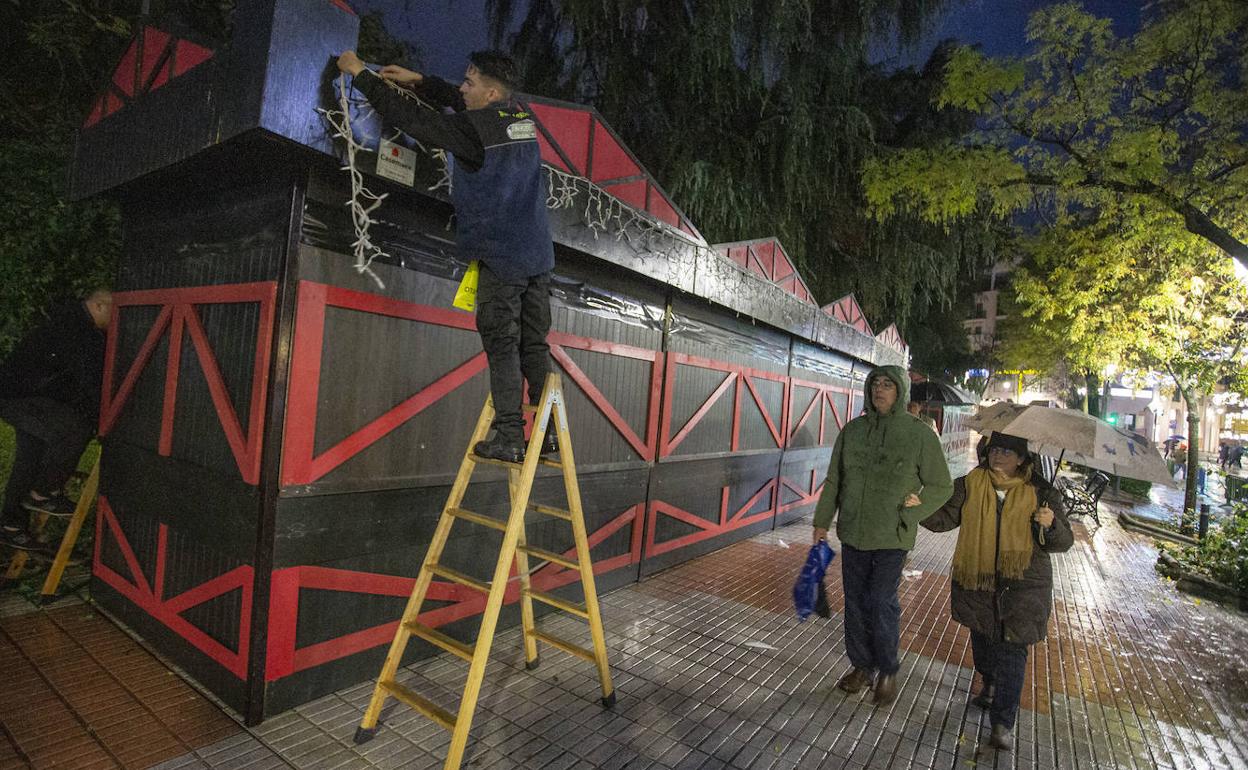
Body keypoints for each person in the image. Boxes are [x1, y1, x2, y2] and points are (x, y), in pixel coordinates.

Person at [336, 49, 556, 464]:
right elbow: (460, 105)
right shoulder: (519, 118)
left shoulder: (474, 132)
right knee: (534, 345)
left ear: (491, 93)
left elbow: (420, 122)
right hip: (537, 255)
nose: (461, 87)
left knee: (502, 343)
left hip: (501, 255)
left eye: (470, 82)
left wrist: (360, 74)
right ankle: (546, 435)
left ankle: (510, 436)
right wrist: (419, 80)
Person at [921, 432, 1072, 752]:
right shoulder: (970, 483)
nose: (998, 456)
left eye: (1007, 451)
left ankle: (1003, 723)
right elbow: (944, 518)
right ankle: (988, 682)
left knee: (1013, 651)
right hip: (979, 581)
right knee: (984, 640)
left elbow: (1063, 542)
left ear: (1021, 458)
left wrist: (1051, 524)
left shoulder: (1042, 493)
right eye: (994, 450)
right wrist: (919, 506)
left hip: (1024, 586)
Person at [812, 366, 953, 706]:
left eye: (888, 384)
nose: (880, 390)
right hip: (855, 532)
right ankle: (862, 667)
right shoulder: (853, 431)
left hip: (893, 536)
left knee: (880, 600)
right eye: (875, 384)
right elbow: (834, 480)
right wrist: (821, 523)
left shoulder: (919, 434)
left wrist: (914, 510)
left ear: (900, 391)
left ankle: (887, 669)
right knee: (856, 603)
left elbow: (942, 485)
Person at [0, 289, 113, 551]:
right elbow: (91, 381)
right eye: (114, 313)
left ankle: (10, 525)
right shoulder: (77, 331)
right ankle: (44, 493)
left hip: (23, 395)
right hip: (21, 396)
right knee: (75, 430)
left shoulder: (73, 323)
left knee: (31, 454)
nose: (116, 321)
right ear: (98, 306)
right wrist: (102, 421)